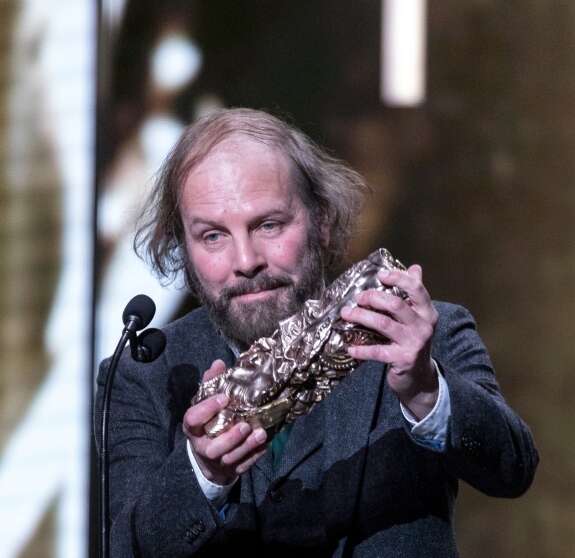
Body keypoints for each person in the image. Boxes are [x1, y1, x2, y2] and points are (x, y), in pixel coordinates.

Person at [94, 107, 539, 557]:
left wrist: (427, 391)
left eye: (268, 225)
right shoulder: (142, 376)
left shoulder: (419, 334)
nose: (246, 260)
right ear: (183, 250)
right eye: (213, 236)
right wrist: (203, 474)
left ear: (321, 222)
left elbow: (512, 468)